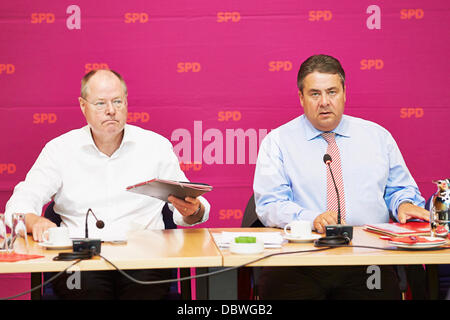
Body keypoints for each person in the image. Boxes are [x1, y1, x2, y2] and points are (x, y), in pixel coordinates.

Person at [4, 69, 210, 299]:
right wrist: (34, 221)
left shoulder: (155, 147)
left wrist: (195, 211)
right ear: (83, 106)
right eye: (100, 103)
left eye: (117, 101)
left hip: (145, 259)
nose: (111, 110)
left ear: (126, 103)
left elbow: (189, 206)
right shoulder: (60, 150)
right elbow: (20, 202)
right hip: (80, 260)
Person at [253, 54, 429, 299]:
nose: (324, 102)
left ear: (345, 92)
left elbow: (399, 189)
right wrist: (311, 218)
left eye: (332, 92)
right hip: (299, 259)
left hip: (368, 259)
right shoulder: (278, 142)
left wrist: (405, 203)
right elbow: (269, 205)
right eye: (315, 94)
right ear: (301, 98)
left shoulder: (378, 137)